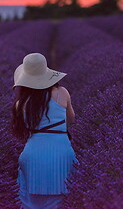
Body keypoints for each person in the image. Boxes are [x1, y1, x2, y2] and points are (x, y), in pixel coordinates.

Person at [11, 53, 78, 209]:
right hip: (61, 153)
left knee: (31, 202)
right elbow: (71, 120)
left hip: (32, 154)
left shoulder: (20, 103)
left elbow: (23, 129)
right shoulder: (62, 93)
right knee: (62, 200)